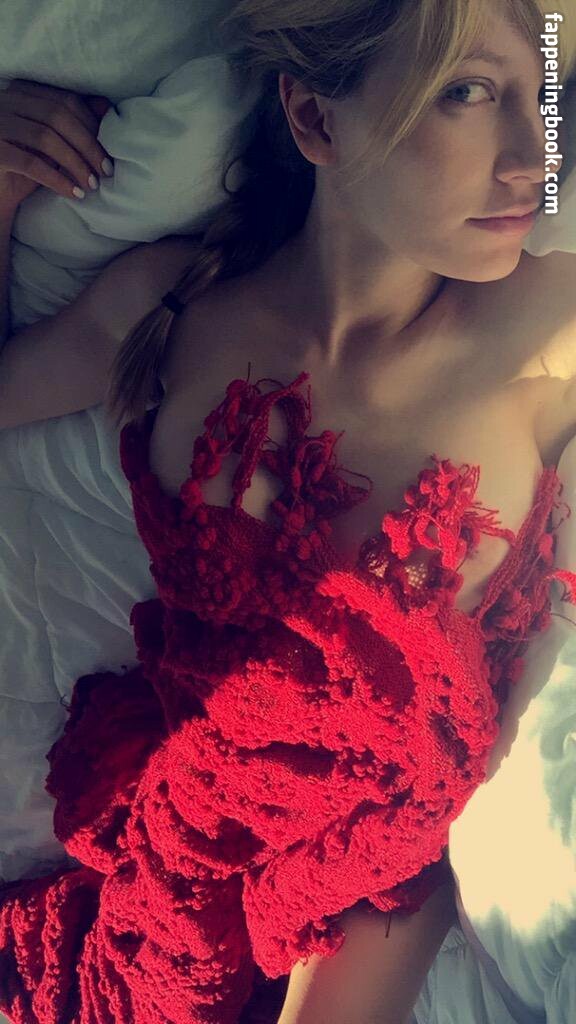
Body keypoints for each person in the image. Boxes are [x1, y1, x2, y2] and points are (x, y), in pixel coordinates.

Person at [1, 1, 576, 1022]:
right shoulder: (173, 308)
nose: (533, 158)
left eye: (544, 99)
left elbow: (398, 844)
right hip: (152, 883)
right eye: (467, 92)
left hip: (368, 915)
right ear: (314, 119)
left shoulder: (550, 328)